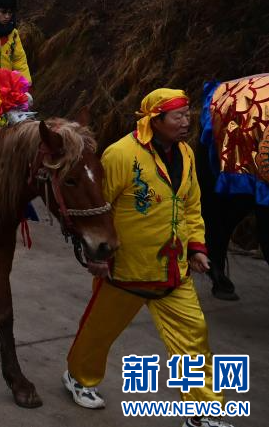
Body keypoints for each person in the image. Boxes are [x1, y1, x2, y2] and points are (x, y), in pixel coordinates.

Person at [62, 89, 232, 427]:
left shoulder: (186, 154)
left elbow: (191, 204)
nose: (186, 122)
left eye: (187, 115)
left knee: (194, 336)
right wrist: (96, 254)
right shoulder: (121, 154)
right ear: (155, 120)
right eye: (178, 116)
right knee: (99, 331)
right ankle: (79, 377)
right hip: (126, 269)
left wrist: (197, 247)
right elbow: (98, 207)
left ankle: (204, 413)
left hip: (173, 270)